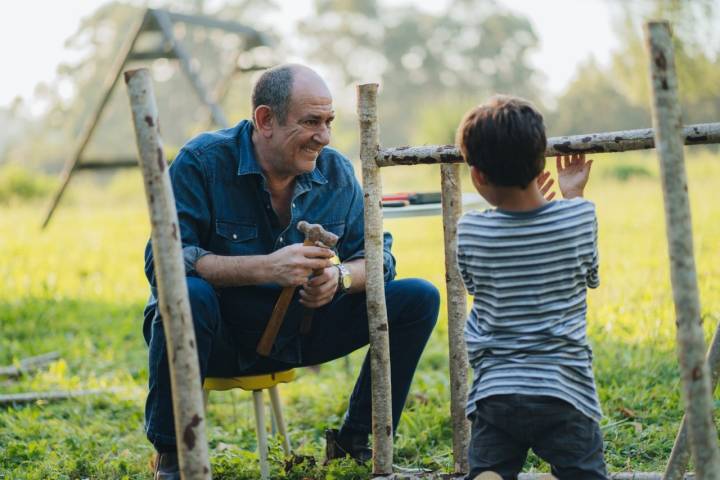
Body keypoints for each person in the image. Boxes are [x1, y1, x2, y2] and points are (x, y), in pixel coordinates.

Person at [144, 64, 440, 479]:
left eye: (329, 121)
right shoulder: (202, 163)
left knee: (419, 297)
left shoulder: (336, 174)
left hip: (300, 332)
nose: (324, 136)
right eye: (311, 122)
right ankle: (174, 458)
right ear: (265, 120)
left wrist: (340, 279)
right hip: (218, 338)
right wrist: (266, 267)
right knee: (188, 296)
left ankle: (353, 443)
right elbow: (164, 264)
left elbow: (379, 261)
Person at [455, 95, 607, 480]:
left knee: (489, 467)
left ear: (478, 176)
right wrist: (571, 197)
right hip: (564, 387)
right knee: (583, 471)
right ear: (541, 161)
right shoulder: (579, 217)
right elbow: (590, 277)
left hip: (496, 390)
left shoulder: (470, 230)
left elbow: (474, 283)